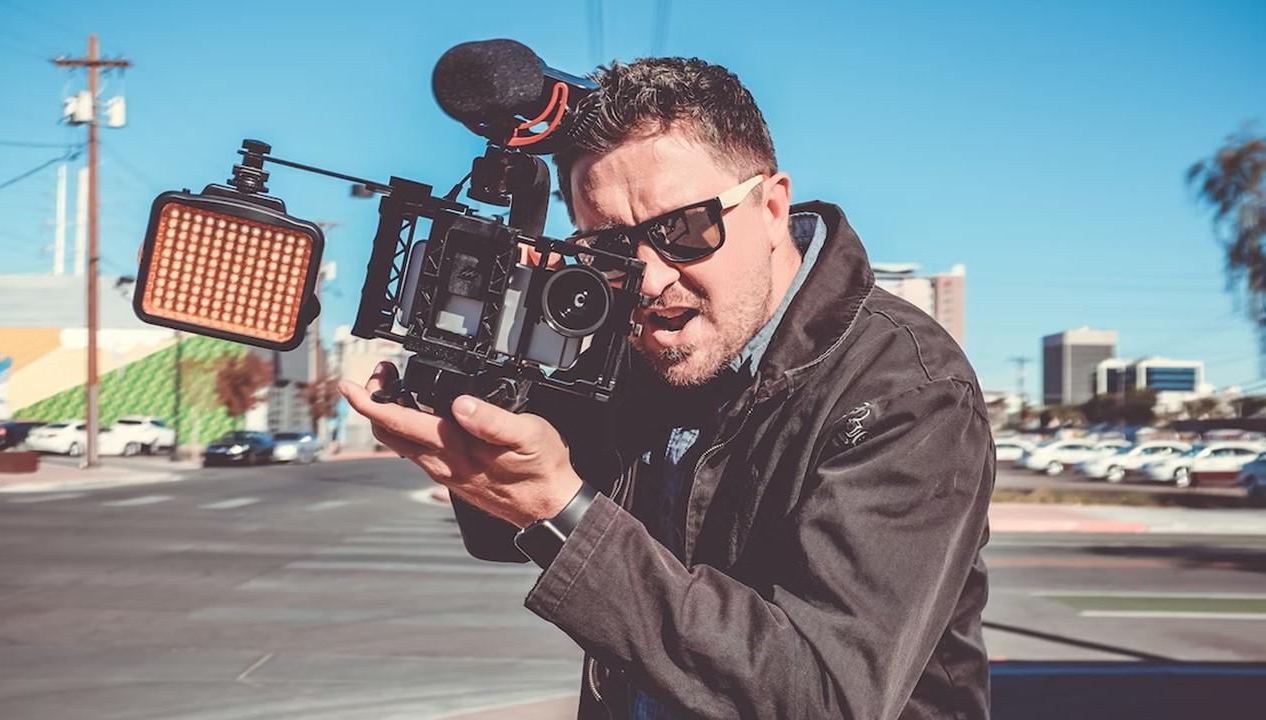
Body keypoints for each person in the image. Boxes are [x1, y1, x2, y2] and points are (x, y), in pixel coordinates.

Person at [340, 56, 994, 719]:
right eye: (611, 249)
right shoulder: (634, 347)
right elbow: (496, 534)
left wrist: (559, 508)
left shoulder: (907, 391)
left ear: (771, 207)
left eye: (683, 231)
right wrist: (478, 400)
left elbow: (820, 696)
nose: (649, 279)